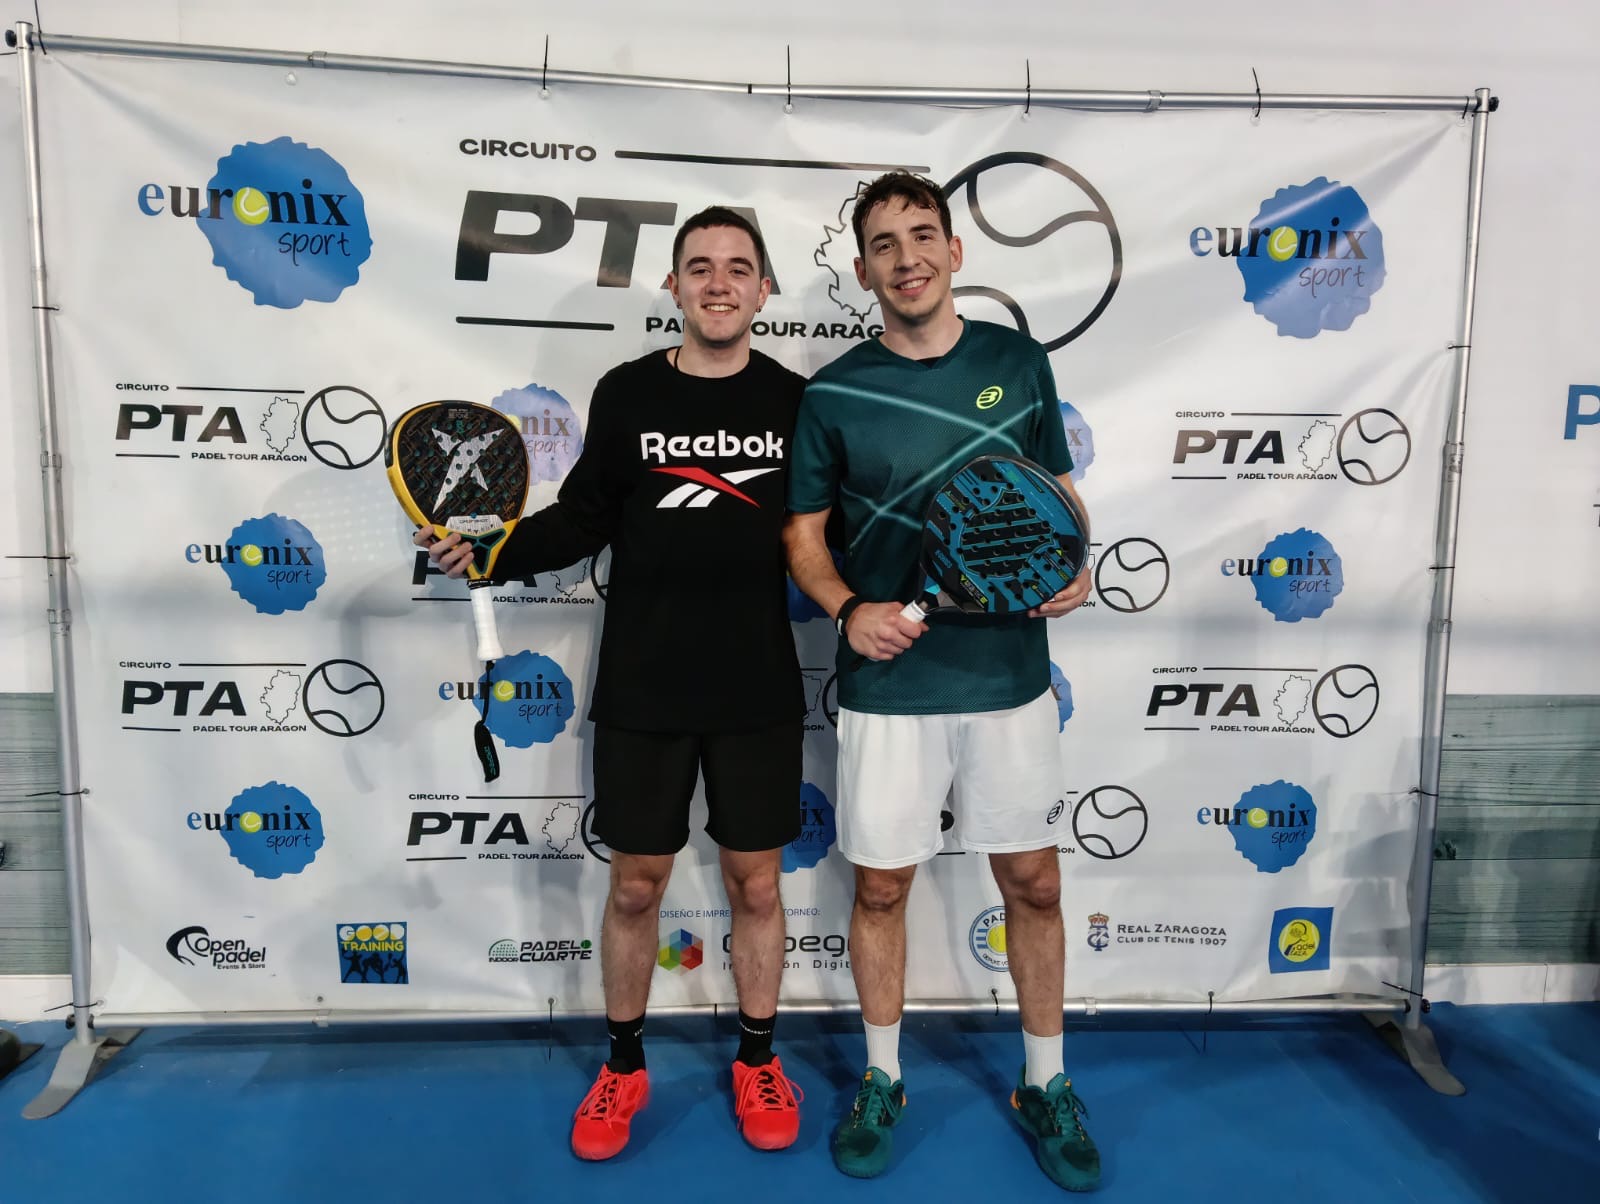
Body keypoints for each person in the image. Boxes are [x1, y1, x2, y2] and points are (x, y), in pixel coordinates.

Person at [419, 207, 806, 1161]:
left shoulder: (798, 401)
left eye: (739, 267)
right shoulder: (628, 392)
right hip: (643, 686)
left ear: (765, 290)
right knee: (636, 887)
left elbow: (832, 530)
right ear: (672, 286)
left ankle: (758, 1058)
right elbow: (583, 517)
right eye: (700, 266)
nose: (719, 282)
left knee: (758, 884)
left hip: (757, 686)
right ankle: (624, 1067)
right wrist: (489, 549)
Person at [782, 173, 1098, 1192]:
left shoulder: (1018, 362)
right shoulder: (832, 393)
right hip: (890, 690)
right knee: (881, 888)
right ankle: (884, 1079)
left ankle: (1045, 1083)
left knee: (1035, 883)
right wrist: (846, 609)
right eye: (884, 244)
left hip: (1007, 678)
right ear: (863, 268)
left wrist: (1074, 561)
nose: (907, 257)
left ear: (955, 252)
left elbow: (1052, 495)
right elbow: (803, 536)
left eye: (923, 236)